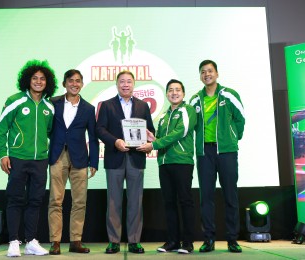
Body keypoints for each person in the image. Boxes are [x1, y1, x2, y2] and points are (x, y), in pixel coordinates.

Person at [0, 59, 58, 257]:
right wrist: (3, 154)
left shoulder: (50, 106)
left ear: (47, 82)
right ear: (27, 80)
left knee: (35, 200)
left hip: (40, 160)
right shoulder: (15, 100)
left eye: (42, 78)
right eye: (34, 78)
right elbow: (1, 129)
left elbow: (49, 132)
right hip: (17, 158)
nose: (38, 81)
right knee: (15, 199)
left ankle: (31, 241)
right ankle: (14, 242)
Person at [189, 60, 245, 253]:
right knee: (206, 197)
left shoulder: (229, 94)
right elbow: (189, 126)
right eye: (203, 72)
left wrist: (231, 137)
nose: (207, 74)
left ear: (217, 73)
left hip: (227, 151)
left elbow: (240, 119)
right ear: (200, 76)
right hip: (205, 153)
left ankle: (232, 239)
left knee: (231, 195)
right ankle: (209, 239)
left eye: (210, 71)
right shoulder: (195, 99)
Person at [96, 70, 155, 254]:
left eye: (129, 81)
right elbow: (100, 129)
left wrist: (151, 137)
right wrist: (115, 141)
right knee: (113, 200)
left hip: (136, 158)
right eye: (122, 81)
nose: (125, 84)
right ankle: (113, 241)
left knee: (135, 201)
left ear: (134, 84)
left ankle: (134, 241)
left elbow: (150, 130)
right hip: (115, 157)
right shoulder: (106, 105)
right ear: (117, 84)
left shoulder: (143, 106)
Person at [137, 79, 197, 254]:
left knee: (185, 201)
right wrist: (152, 139)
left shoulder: (188, 110)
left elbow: (180, 132)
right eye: (170, 90)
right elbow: (161, 141)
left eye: (178, 90)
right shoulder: (163, 116)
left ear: (183, 93)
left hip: (182, 162)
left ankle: (188, 243)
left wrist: (154, 145)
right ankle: (172, 241)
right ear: (167, 94)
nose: (174, 93)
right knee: (169, 203)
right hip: (164, 163)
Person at [47, 69, 99, 255]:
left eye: (78, 81)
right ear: (64, 83)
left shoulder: (88, 108)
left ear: (82, 84)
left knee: (79, 202)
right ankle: (55, 242)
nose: (74, 84)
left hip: (80, 159)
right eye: (71, 81)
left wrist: (94, 161)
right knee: (55, 200)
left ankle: (75, 241)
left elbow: (93, 137)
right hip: (57, 156)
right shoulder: (53, 103)